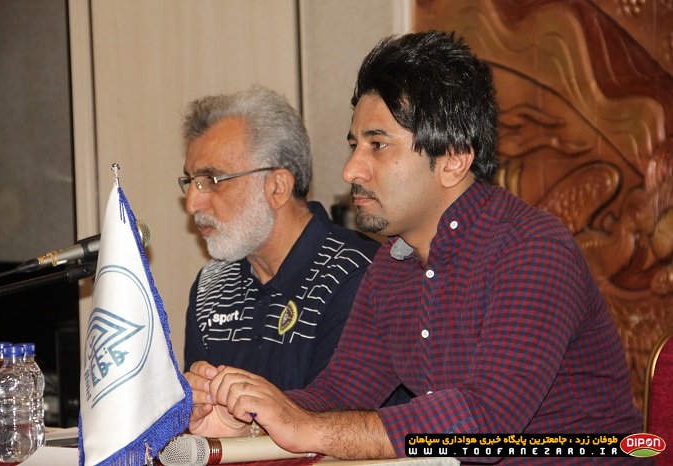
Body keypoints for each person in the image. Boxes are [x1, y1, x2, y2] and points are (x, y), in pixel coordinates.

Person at [185, 32, 643, 463]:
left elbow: (485, 422)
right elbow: (339, 395)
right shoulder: (393, 263)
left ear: (453, 159)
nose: (351, 170)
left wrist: (308, 429)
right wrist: (249, 415)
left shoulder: (532, 249)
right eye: (354, 145)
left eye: (377, 145)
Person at [180, 86, 382, 392]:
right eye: (191, 181)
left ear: (277, 187)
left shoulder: (359, 276)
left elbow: (332, 418)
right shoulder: (212, 285)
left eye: (212, 180)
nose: (192, 203)